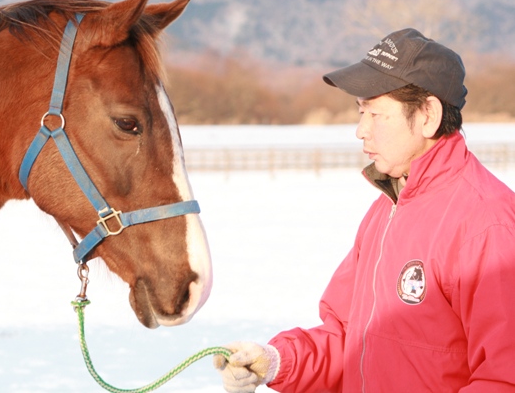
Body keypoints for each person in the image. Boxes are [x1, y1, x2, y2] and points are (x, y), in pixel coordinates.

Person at [213, 28, 515, 392]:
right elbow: (346, 337)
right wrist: (276, 360)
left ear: (427, 115)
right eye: (360, 111)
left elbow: (504, 376)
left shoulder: (486, 223)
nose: (360, 130)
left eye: (374, 113)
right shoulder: (386, 210)